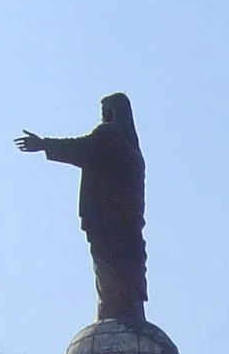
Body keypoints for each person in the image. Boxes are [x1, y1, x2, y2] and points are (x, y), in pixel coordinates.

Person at [15, 93, 148, 324]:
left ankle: (115, 311)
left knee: (109, 264)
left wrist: (43, 144)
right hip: (127, 225)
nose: (103, 117)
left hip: (108, 221)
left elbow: (80, 148)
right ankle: (127, 310)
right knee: (126, 265)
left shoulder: (109, 137)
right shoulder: (135, 154)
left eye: (106, 112)